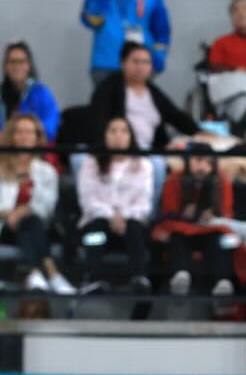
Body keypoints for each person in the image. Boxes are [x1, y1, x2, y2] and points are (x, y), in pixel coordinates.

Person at [91, 42, 199, 212]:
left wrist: (201, 132)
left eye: (146, 62)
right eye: (135, 61)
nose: (140, 67)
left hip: (150, 149)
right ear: (123, 63)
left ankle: (151, 213)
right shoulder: (109, 87)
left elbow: (176, 116)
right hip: (121, 149)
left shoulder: (152, 91)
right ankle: (146, 213)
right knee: (156, 165)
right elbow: (97, 121)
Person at [0, 112, 74, 295]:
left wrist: (22, 211)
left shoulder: (47, 171)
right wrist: (7, 214)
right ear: (11, 136)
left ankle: (33, 273)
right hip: (3, 228)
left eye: (30, 132)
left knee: (31, 223)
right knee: (31, 225)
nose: (24, 137)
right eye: (19, 132)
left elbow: (47, 207)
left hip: (35, 225)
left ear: (37, 138)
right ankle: (52, 273)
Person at [76, 115, 154, 295]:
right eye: (113, 131)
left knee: (135, 226)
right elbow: (88, 199)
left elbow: (144, 201)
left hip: (130, 226)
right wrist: (111, 216)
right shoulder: (90, 163)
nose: (118, 136)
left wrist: (123, 216)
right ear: (104, 135)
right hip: (98, 223)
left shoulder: (143, 165)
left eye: (124, 131)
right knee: (97, 230)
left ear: (131, 136)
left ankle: (139, 278)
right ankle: (92, 279)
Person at [154, 142, 237, 297]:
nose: (202, 167)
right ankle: (180, 276)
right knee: (177, 238)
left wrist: (213, 216)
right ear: (188, 162)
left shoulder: (222, 181)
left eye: (207, 162)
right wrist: (182, 215)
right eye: (198, 160)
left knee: (224, 241)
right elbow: (168, 211)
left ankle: (223, 282)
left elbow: (227, 213)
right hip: (182, 229)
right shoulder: (174, 179)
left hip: (212, 229)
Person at [0, 42, 61, 146]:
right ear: (6, 66)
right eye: (12, 62)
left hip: (34, 152)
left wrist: (28, 138)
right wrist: (2, 139)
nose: (16, 66)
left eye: (21, 61)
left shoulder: (42, 94)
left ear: (29, 65)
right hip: (2, 152)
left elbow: (51, 125)